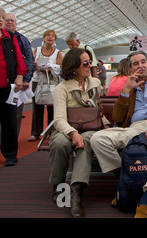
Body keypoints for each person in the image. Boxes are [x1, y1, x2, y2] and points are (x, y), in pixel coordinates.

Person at [90, 50, 147, 218]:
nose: (140, 66)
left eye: (143, 62)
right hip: (134, 128)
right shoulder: (129, 86)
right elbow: (117, 117)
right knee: (98, 139)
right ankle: (126, 181)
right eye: (136, 64)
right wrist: (125, 91)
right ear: (130, 68)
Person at [50, 48, 111, 217]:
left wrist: (105, 125)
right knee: (60, 143)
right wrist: (72, 133)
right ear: (74, 66)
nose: (89, 65)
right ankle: (59, 185)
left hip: (91, 128)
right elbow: (59, 119)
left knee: (85, 142)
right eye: (85, 63)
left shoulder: (94, 83)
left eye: (89, 62)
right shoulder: (61, 88)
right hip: (67, 127)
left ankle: (77, 191)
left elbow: (99, 110)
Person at [0, 6, 26, 166]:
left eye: (2, 17)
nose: (1, 20)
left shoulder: (9, 37)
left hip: (6, 85)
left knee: (9, 121)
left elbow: (19, 58)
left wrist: (19, 76)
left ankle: (10, 154)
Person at [0, 13, 34, 146]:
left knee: (14, 115)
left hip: (17, 83)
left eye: (12, 20)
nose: (10, 22)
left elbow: (28, 60)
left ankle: (10, 142)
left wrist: (25, 79)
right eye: (7, 20)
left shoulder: (21, 39)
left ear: (16, 23)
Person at [30, 29, 62, 141]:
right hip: (37, 81)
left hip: (51, 82)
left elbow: (60, 68)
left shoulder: (58, 52)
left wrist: (50, 68)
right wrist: (36, 66)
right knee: (36, 106)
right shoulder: (37, 50)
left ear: (55, 39)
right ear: (43, 38)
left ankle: (51, 131)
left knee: (52, 107)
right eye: (48, 35)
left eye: (53, 36)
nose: (50, 37)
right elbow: (31, 63)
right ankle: (35, 133)